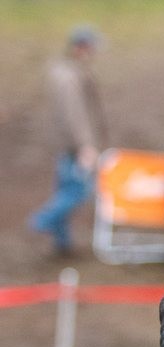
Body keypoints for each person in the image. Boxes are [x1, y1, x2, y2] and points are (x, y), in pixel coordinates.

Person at [28, 25, 107, 257]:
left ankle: (62, 243)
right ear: (81, 47)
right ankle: (41, 221)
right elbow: (75, 114)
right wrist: (85, 145)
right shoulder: (69, 76)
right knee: (78, 190)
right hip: (73, 146)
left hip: (66, 145)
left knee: (65, 188)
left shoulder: (66, 72)